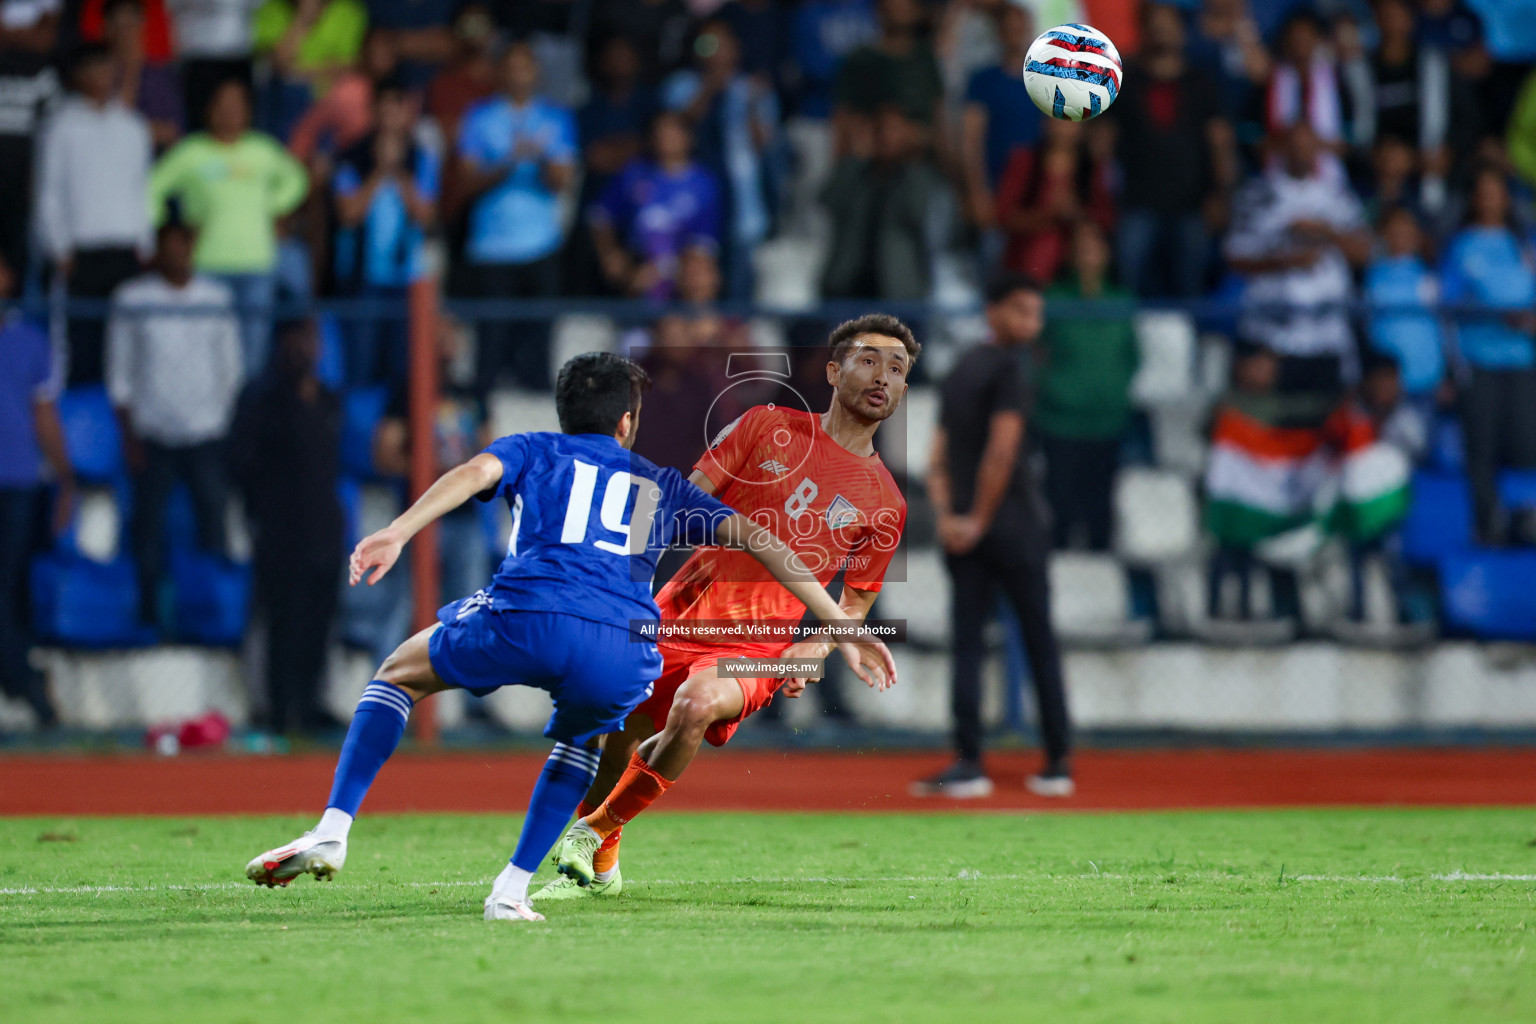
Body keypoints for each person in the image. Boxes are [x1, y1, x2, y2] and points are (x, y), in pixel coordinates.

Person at [243, 351, 895, 923]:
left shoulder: (534, 448)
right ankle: (512, 889)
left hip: (526, 614)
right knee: (585, 736)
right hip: (618, 645)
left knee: (398, 674)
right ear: (627, 421)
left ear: (564, 413)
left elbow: (470, 475)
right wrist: (840, 627)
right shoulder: (659, 484)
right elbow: (763, 541)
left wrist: (399, 530)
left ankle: (333, 829)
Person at [543, 316, 913, 901]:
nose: (884, 378)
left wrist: (811, 648)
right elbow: (685, 498)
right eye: (870, 361)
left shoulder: (887, 502)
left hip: (757, 646)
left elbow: (857, 600)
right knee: (618, 735)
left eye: (898, 370)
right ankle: (601, 857)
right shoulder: (767, 426)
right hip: (680, 611)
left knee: (695, 705)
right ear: (834, 370)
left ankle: (592, 832)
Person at [913, 274, 1072, 800]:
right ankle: (1057, 761)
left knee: (968, 645)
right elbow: (1002, 453)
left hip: (965, 530)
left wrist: (949, 516)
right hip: (1015, 527)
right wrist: (979, 517)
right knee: (1038, 639)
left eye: (1036, 312)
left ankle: (968, 760)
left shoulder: (960, 369)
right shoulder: (1011, 369)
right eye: (1023, 310)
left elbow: (936, 455)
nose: (1033, 322)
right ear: (994, 311)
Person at [106, 220, 243, 628]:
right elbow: (120, 372)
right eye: (169, 244)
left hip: (206, 432)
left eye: (184, 243)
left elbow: (230, 369)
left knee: (212, 523)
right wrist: (129, 433)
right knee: (148, 529)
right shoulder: (132, 299)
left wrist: (224, 425)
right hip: (153, 433)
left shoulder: (216, 297)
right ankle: (149, 613)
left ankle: (214, 615)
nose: (177, 252)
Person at [148, 78, 309, 376]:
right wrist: (165, 234)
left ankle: (246, 418)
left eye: (236, 106)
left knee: (253, 356)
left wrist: (272, 208)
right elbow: (152, 189)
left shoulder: (263, 150)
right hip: (206, 267)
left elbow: (297, 180)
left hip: (257, 266)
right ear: (209, 111)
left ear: (248, 112)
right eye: (222, 106)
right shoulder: (190, 152)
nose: (229, 113)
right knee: (205, 353)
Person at [229, 319, 344, 734]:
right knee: (283, 623)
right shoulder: (262, 401)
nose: (303, 349)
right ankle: (281, 709)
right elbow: (241, 464)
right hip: (280, 530)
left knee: (319, 622)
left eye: (309, 339)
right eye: (294, 339)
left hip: (324, 528)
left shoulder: (329, 400)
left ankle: (310, 702)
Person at [456, 41, 575, 392]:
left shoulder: (555, 118)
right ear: (500, 71)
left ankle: (539, 431)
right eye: (512, 65)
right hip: (491, 247)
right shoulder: (479, 117)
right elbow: (466, 180)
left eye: (526, 66)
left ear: (536, 72)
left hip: (541, 245)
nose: (519, 73)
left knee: (539, 346)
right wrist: (508, 160)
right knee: (490, 349)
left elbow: (561, 181)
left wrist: (539, 157)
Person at [1225, 121, 1371, 394]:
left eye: (1308, 145)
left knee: (1322, 423)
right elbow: (1235, 257)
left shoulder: (1336, 195)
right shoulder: (1258, 194)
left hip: (1326, 334)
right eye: (1294, 145)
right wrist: (1285, 261)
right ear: (1281, 148)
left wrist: (1325, 232)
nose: (1302, 151)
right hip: (1270, 336)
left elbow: (1363, 253)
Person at [35, 42, 152, 386]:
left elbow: (142, 190)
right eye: (92, 69)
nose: (101, 76)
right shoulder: (61, 126)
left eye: (106, 67)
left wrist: (145, 242)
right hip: (80, 252)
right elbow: (48, 192)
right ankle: (85, 425)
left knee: (128, 345)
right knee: (82, 343)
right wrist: (58, 247)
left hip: (127, 248)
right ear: (77, 76)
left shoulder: (133, 126)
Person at [1439, 165, 1536, 545]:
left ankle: (1526, 519)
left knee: (1528, 444)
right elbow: (1445, 304)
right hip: (1477, 360)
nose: (1490, 200)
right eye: (1483, 193)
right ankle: (1486, 524)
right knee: (1482, 446)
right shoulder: (1462, 246)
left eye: (1497, 193)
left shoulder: (1523, 245)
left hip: (1522, 360)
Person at [1112, 2, 1233, 298]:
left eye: (1169, 24)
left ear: (1181, 32)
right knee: (1129, 281)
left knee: (1190, 285)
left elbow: (1219, 141)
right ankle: (1130, 344)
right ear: (1144, 31)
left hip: (1191, 203)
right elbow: (1105, 139)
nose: (1162, 31)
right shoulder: (1125, 81)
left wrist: (1220, 193)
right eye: (1155, 24)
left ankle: (1189, 342)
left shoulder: (1201, 83)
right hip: (1137, 201)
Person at [1036, 222, 1138, 552]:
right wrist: (1054, 389)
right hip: (1060, 422)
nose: (1088, 255)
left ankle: (1100, 584)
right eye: (1080, 248)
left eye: (1094, 247)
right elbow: (1035, 354)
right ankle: (1059, 589)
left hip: (1108, 421)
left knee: (1100, 510)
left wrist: (1115, 389)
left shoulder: (1122, 302)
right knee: (1060, 509)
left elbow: (1133, 356)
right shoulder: (1054, 300)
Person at [661, 19, 779, 301]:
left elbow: (764, 143)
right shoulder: (682, 85)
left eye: (722, 44)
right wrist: (710, 87)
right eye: (707, 45)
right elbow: (677, 129)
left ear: (736, 50)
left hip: (743, 206)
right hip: (696, 205)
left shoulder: (752, 88)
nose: (715, 52)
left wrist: (752, 101)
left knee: (740, 291)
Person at [332, 75, 437, 385]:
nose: (391, 117)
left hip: (407, 281)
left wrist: (400, 172)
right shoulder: (351, 157)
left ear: (408, 113)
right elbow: (349, 214)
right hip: (362, 282)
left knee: (402, 373)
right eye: (385, 109)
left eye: (398, 109)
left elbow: (425, 215)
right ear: (374, 112)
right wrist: (379, 171)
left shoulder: (421, 159)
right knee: (360, 372)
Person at [0, 311, 70, 728]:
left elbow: (44, 412)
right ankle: (25, 680)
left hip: (19, 479)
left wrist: (64, 477)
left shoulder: (29, 340)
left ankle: (24, 680)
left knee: (10, 585)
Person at [820, 104, 947, 301]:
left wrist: (913, 156)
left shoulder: (917, 176)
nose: (887, 137)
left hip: (898, 287)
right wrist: (857, 155)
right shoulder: (853, 171)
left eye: (895, 130)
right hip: (847, 282)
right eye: (881, 130)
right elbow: (829, 201)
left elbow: (918, 215)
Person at [589, 111, 721, 300]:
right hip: (635, 266)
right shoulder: (634, 174)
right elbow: (600, 215)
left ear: (688, 138)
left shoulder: (704, 184)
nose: (665, 138)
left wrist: (663, 270)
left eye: (672, 133)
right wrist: (611, 255)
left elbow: (703, 245)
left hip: (682, 276)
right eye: (659, 132)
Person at [959, 1, 1040, 267]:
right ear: (999, 33)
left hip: (1036, 194)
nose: (1015, 34)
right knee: (994, 267)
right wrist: (977, 193)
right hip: (996, 191)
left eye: (1020, 28)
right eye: (1009, 28)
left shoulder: (1047, 80)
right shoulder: (983, 81)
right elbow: (971, 141)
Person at [995, 116, 1115, 287]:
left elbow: (1106, 215)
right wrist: (1048, 215)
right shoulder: (1025, 161)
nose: (1064, 128)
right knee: (1046, 244)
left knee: (1089, 245)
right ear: (1046, 124)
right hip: (1027, 247)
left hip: (1075, 246)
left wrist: (1076, 212)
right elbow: (1004, 214)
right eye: (1059, 120)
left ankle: (1089, 300)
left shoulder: (1091, 167)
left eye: (1071, 122)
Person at [1364, 205, 1446, 428]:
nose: (1401, 235)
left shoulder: (1430, 274)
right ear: (1383, 235)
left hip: (1426, 382)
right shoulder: (1371, 274)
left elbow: (1445, 327)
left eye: (1407, 229)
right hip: (1385, 387)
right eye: (1394, 230)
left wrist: (1447, 376)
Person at [101, 0, 183, 151]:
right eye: (120, 25)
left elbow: (173, 131)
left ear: (142, 25)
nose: (126, 33)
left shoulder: (160, 77)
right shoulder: (97, 76)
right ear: (107, 28)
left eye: (131, 24)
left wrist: (128, 129)